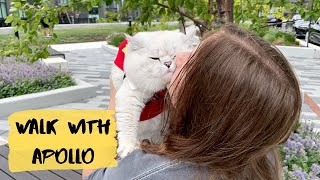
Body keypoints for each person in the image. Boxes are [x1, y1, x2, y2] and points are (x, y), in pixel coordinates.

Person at [83, 24, 302, 179]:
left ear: (204, 104)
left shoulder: (144, 171)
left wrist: (114, 101)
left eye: (192, 66)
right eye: (193, 49)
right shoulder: (262, 155)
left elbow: (92, 175)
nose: (179, 58)